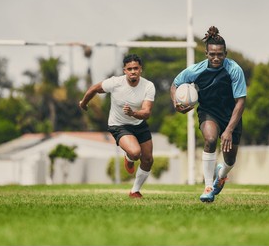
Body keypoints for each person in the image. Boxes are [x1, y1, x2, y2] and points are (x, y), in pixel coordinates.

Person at [170, 26, 247, 203]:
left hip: (231, 116)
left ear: (225, 53)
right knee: (211, 140)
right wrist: (176, 102)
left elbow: (241, 102)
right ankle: (207, 187)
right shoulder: (195, 71)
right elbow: (175, 84)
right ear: (206, 53)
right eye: (212, 54)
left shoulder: (234, 70)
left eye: (220, 54)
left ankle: (221, 175)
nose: (216, 58)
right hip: (208, 112)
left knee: (230, 159)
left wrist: (228, 130)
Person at [79, 54, 156, 198]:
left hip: (139, 124)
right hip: (119, 125)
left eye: (136, 68)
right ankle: (129, 157)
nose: (133, 71)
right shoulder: (115, 83)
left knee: (148, 159)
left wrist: (133, 113)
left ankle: (135, 191)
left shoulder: (148, 86)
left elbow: (146, 113)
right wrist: (84, 103)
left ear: (141, 70)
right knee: (135, 152)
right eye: (130, 69)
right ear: (124, 70)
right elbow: (94, 89)